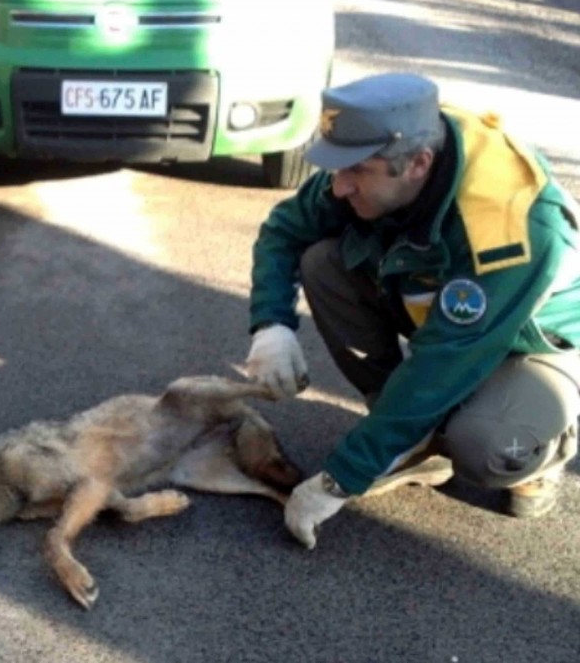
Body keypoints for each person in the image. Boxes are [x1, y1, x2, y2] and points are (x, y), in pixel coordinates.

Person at [245, 72, 580, 549]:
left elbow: (443, 365)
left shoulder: (508, 229)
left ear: (419, 163)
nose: (338, 187)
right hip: (447, 311)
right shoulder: (382, 151)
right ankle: (410, 437)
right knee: (322, 263)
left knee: (487, 445)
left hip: (535, 340)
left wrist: (341, 479)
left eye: (356, 171)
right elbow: (284, 231)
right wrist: (271, 324)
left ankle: (546, 442)